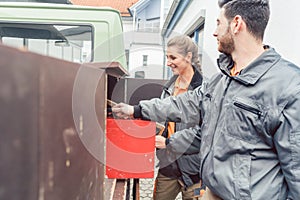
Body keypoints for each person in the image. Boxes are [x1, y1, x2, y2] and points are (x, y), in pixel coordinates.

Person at [113, 0, 300, 199]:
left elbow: (296, 171)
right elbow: (182, 104)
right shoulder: (220, 81)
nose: (214, 32)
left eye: (218, 23)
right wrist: (136, 110)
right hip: (211, 191)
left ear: (236, 24)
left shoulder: (288, 86)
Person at [151, 35, 203, 200]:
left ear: (188, 57)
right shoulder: (168, 88)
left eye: (173, 57)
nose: (168, 62)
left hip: (194, 170)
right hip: (168, 166)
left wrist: (168, 141)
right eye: (167, 57)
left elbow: (206, 132)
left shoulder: (206, 90)